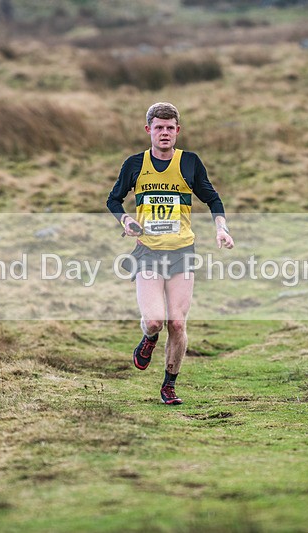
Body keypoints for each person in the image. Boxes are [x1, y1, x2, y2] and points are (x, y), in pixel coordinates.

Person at [106, 102, 234, 405]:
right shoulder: (135, 164)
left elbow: (212, 198)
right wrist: (126, 219)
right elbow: (113, 200)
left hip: (182, 254)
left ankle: (169, 384)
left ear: (178, 131)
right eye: (159, 127)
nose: (164, 133)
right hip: (148, 252)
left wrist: (221, 228)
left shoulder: (190, 162)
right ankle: (149, 339)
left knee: (176, 323)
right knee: (154, 321)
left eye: (170, 128)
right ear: (148, 130)